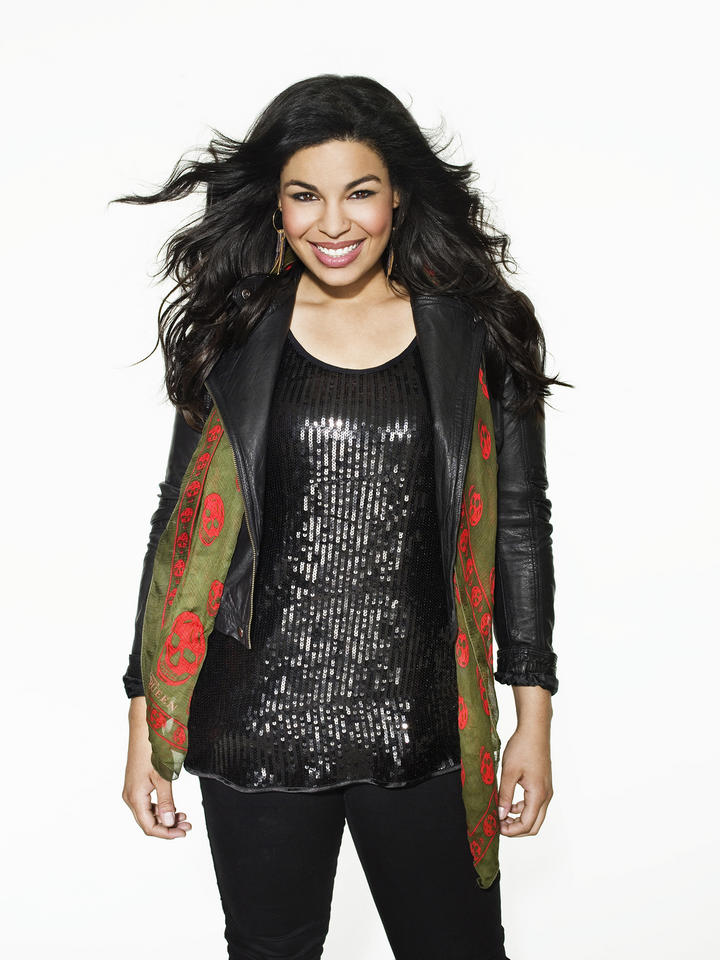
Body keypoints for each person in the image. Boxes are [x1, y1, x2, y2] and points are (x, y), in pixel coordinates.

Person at [118, 74, 568, 960]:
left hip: (427, 720)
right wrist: (142, 723)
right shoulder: (233, 330)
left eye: (358, 193)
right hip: (253, 716)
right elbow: (178, 528)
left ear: (398, 195)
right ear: (276, 205)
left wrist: (535, 718)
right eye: (305, 196)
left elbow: (520, 524)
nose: (333, 222)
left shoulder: (479, 329)